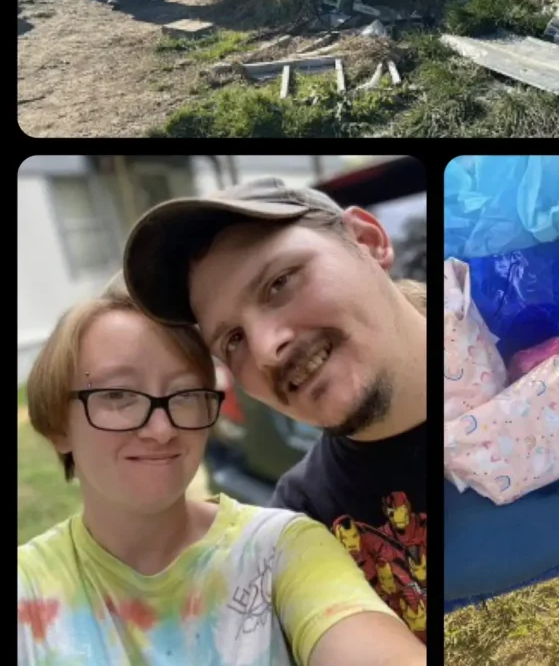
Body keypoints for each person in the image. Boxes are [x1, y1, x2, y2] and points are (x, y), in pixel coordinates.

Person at [18, 280, 425, 666]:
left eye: (185, 395)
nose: (161, 430)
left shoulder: (281, 550)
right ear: (58, 426)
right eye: (118, 395)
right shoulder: (28, 585)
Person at [122, 179, 428, 641]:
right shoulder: (303, 522)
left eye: (279, 282)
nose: (267, 350)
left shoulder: (528, 358)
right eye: (234, 340)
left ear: (368, 242)